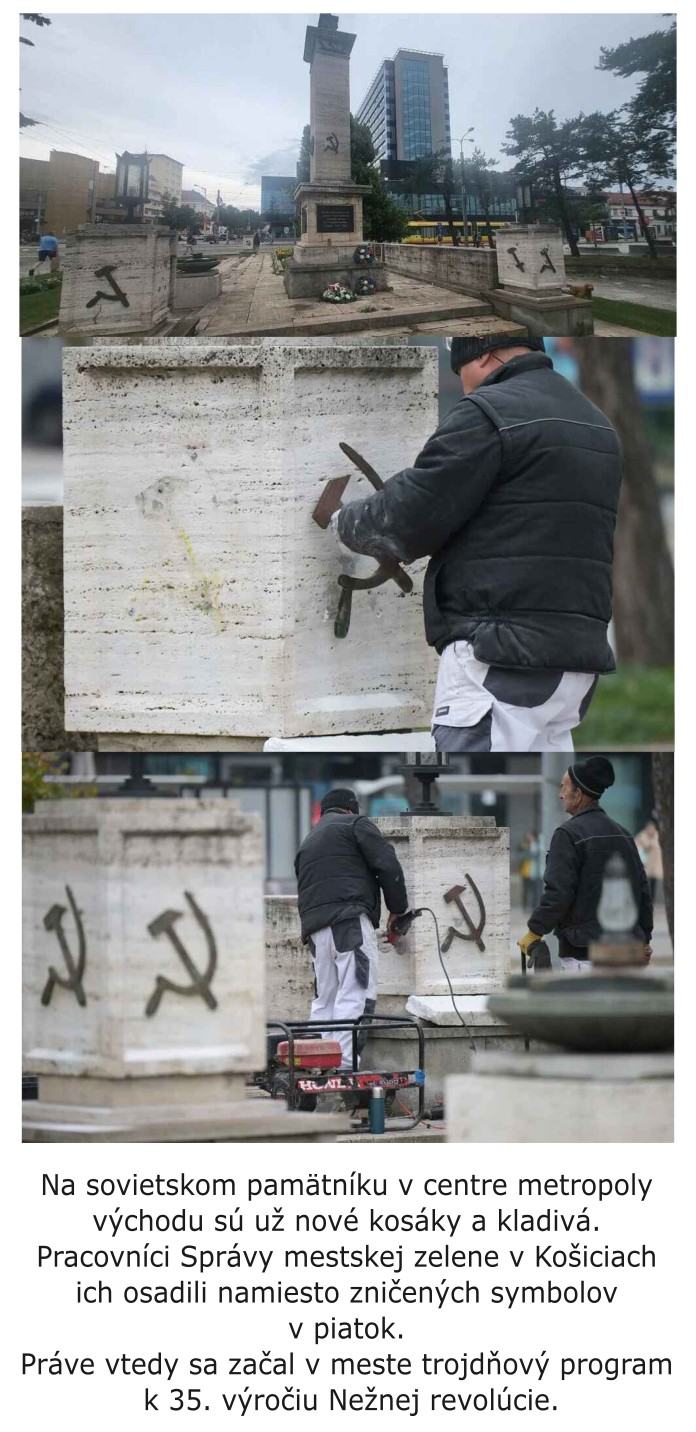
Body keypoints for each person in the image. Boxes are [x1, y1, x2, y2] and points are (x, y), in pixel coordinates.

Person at [335, 336, 622, 753]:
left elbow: (414, 512)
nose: (465, 385)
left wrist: (348, 522)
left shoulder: (488, 412)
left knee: (465, 771)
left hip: (499, 655)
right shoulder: (596, 423)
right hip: (575, 665)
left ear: (484, 353)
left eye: (461, 370)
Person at [294, 788, 409, 1069]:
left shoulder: (308, 842)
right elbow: (387, 865)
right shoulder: (355, 824)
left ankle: (316, 1064)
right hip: (349, 921)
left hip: (316, 930)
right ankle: (344, 1065)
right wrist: (398, 909)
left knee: (326, 997)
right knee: (356, 991)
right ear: (350, 809)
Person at [517, 757, 653, 970]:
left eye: (563, 787)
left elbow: (559, 893)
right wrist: (644, 939)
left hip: (584, 956)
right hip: (629, 952)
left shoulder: (567, 834)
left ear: (578, 794)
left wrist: (534, 931)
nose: (560, 795)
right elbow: (643, 892)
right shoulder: (625, 834)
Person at [635, 814, 663, 902]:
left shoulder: (658, 836)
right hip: (645, 865)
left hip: (655, 866)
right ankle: (645, 899)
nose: (651, 829)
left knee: (654, 884)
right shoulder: (642, 836)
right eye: (649, 827)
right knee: (645, 883)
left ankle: (652, 900)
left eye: (652, 827)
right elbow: (639, 847)